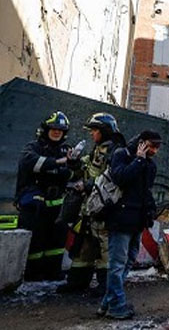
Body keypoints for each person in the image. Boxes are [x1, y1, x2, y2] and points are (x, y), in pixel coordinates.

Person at [59, 113, 126, 294]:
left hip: (104, 208)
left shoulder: (115, 152)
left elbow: (112, 180)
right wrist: (73, 162)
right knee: (84, 245)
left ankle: (106, 286)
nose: (91, 134)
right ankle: (77, 281)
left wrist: (87, 185)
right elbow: (86, 168)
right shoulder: (98, 149)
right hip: (90, 206)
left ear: (104, 131)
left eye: (94, 130)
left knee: (105, 247)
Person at [100, 130, 160, 320]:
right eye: (152, 146)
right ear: (142, 144)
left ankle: (108, 303)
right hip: (120, 220)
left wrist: (149, 213)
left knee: (127, 262)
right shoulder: (122, 155)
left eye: (157, 147)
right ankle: (116, 306)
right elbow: (121, 178)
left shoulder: (149, 164)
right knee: (117, 265)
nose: (155, 151)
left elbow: (145, 191)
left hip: (136, 221)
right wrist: (139, 161)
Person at [15, 111, 75, 281]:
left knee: (56, 243)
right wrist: (57, 163)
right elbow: (29, 163)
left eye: (61, 130)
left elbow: (72, 174)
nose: (57, 132)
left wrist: (69, 167)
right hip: (35, 207)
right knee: (35, 243)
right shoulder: (33, 147)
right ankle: (32, 275)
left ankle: (52, 273)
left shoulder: (67, 150)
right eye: (54, 128)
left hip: (58, 207)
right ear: (45, 129)